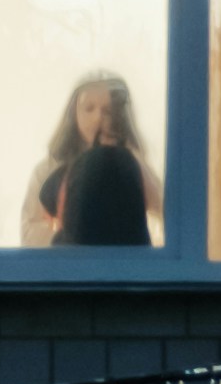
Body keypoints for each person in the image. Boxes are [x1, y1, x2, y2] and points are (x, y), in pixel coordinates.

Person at [21, 72, 160, 252]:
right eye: (89, 108)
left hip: (124, 264)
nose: (98, 118)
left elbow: (163, 210)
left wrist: (133, 159)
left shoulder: (132, 164)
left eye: (107, 111)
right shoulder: (48, 169)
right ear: (74, 113)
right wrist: (73, 238)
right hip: (67, 267)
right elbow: (29, 232)